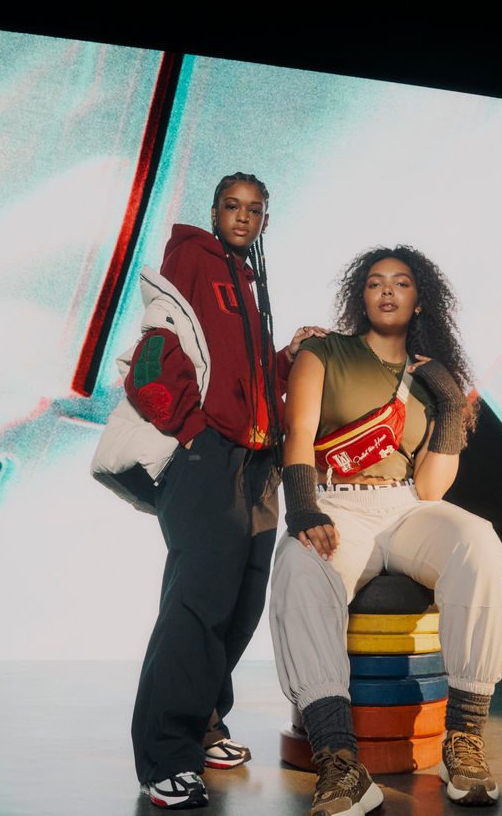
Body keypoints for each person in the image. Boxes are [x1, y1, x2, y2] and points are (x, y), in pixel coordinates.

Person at [271, 246, 502, 814]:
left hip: (405, 505)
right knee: (299, 566)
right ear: (361, 295)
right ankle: (339, 762)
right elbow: (299, 433)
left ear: (418, 297)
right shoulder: (323, 352)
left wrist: (450, 407)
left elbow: (431, 490)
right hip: (336, 503)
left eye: (400, 283)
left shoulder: (431, 375)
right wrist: (303, 510)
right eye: (376, 282)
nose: (387, 291)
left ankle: (466, 739)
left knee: (479, 542)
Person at [124, 171, 326, 809]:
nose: (243, 217)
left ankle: (205, 720)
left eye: (255, 209)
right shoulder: (192, 257)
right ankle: (164, 756)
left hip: (255, 463)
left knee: (238, 604)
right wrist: (192, 431)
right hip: (209, 460)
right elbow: (155, 352)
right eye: (233, 207)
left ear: (265, 219)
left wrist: (289, 357)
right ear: (214, 212)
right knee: (196, 606)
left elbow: (248, 374)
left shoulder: (245, 279)